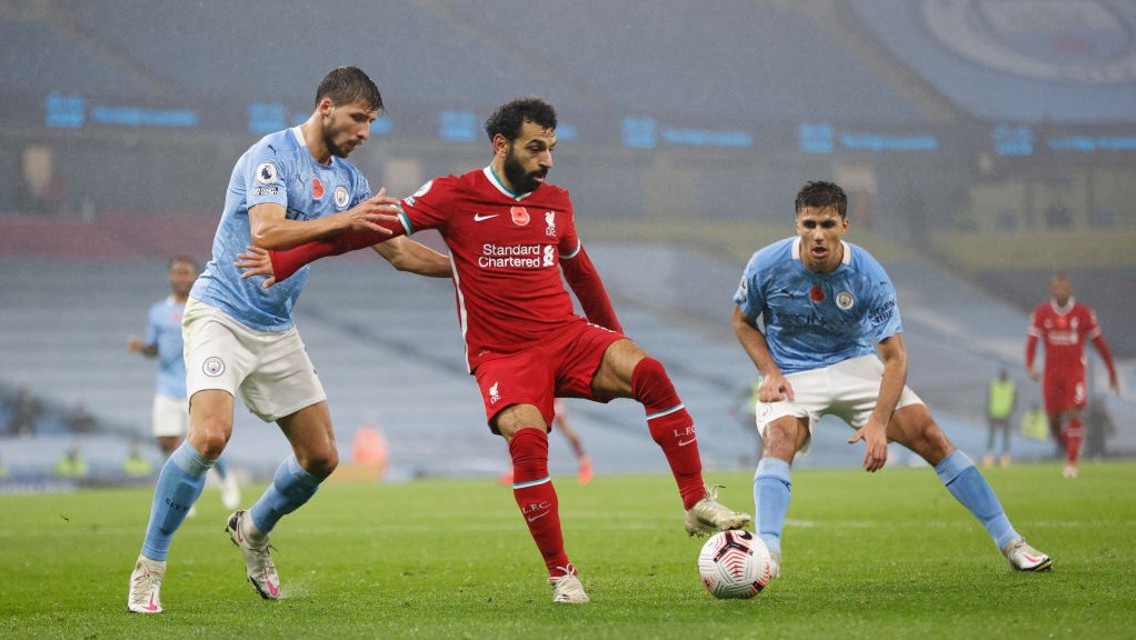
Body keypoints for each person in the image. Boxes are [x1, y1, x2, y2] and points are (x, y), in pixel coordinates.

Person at [246, 96, 751, 604]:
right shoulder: (452, 194)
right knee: (528, 443)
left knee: (652, 373)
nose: (546, 160)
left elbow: (583, 275)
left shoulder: (556, 201)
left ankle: (695, 500)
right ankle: (562, 575)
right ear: (502, 144)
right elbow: (366, 232)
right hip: (503, 356)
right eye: (536, 148)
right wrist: (287, 262)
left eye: (551, 149)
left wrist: (614, 338)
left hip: (566, 336)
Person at [126, 66, 452, 614]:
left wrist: (467, 273)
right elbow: (268, 233)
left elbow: (396, 251)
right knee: (209, 437)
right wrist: (347, 218)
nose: (365, 132)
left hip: (275, 328)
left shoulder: (346, 180)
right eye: (357, 118)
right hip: (221, 314)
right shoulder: (271, 156)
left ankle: (253, 528)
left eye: (370, 122)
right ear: (326, 108)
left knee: (322, 457)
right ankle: (150, 565)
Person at [731, 181, 1051, 580]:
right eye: (809, 223)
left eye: (827, 224)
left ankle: (1013, 542)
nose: (818, 234)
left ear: (845, 225)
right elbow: (742, 321)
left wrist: (879, 422)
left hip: (854, 365)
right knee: (778, 439)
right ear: (796, 224)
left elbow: (895, 357)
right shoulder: (765, 264)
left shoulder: (869, 275)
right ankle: (767, 555)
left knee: (930, 435)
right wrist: (769, 371)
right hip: (792, 372)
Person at [128, 257, 241, 514]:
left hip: (199, 383)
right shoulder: (158, 311)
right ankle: (181, 492)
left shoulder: (206, 305)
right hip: (167, 385)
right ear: (170, 276)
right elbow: (154, 348)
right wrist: (141, 348)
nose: (182, 278)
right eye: (177, 273)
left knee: (208, 438)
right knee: (167, 442)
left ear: (195, 276)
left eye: (187, 273)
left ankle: (225, 478)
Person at [1026, 273, 1119, 479]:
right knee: (1054, 423)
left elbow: (1100, 343)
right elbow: (1032, 342)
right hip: (1051, 374)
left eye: (1065, 288)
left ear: (1070, 290)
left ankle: (1071, 463)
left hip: (1074, 373)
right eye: (1057, 288)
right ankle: (1070, 442)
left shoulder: (1084, 313)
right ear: (1052, 290)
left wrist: (1112, 371)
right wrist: (1030, 366)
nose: (1061, 291)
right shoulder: (1041, 313)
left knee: (1075, 413)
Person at [498, 398, 593, 486]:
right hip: (530, 395)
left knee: (563, 425)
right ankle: (514, 470)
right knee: (517, 428)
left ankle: (584, 461)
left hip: (549, 394)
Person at [983, 368, 1017, 468]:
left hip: (1004, 414)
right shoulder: (995, 384)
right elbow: (989, 398)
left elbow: (1014, 399)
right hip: (995, 413)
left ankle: (1004, 458)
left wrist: (1011, 410)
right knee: (994, 437)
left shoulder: (1009, 385)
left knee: (1003, 437)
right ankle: (990, 457)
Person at [1083, 396, 1115, 461]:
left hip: (1100, 435)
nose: (1102, 406)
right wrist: (1087, 431)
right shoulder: (1091, 414)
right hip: (1092, 436)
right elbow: (1087, 422)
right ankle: (1090, 461)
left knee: (1101, 449)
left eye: (1102, 405)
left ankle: (1101, 460)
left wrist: (1110, 430)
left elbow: (1108, 423)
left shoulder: (1103, 414)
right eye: (1100, 405)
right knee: (1091, 451)